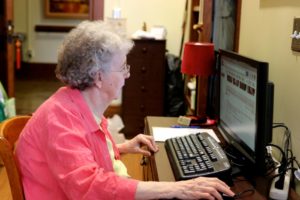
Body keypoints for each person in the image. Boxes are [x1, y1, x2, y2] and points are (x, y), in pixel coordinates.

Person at [15, 20, 234, 200]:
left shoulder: (76, 102)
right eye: (122, 68)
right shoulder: (60, 119)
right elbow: (89, 187)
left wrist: (122, 147)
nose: (127, 75)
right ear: (98, 77)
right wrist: (177, 188)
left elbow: (79, 153)